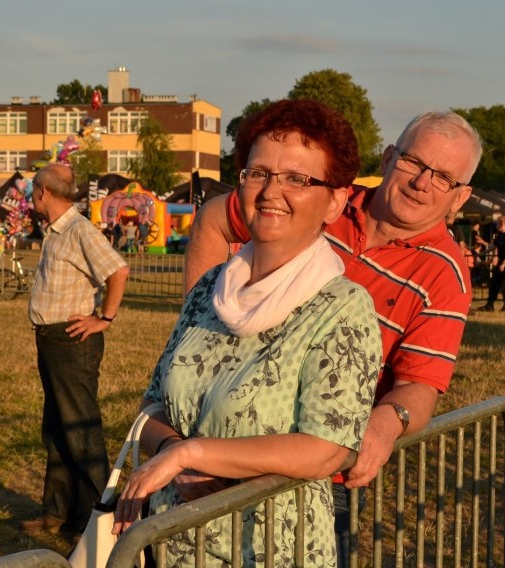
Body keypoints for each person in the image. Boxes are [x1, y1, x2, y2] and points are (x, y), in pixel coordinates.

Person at [112, 99, 382, 566]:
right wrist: (174, 450)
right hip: (178, 547)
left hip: (272, 551)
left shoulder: (342, 310)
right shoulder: (207, 293)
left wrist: (193, 453)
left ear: (335, 201)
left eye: (298, 178)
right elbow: (153, 404)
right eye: (258, 173)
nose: (271, 191)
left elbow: (327, 449)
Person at [183, 110, 481, 517]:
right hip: (215, 436)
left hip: (309, 469)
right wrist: (198, 332)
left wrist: (387, 421)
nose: (422, 183)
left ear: (461, 196)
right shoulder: (316, 197)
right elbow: (213, 220)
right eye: (413, 162)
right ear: (389, 157)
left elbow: (421, 383)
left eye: (444, 177)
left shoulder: (445, 275)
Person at [21, 163, 130, 536]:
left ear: (42, 192)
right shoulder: (56, 231)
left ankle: (102, 520)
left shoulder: (79, 229)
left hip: (72, 341)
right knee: (56, 428)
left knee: (81, 429)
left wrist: (105, 317)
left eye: (32, 189)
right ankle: (60, 512)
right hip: (52, 339)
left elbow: (118, 270)